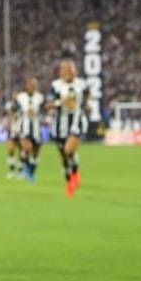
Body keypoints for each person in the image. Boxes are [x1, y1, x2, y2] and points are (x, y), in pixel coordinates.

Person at [47, 60, 87, 196]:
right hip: (59, 125)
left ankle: (75, 174)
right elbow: (48, 105)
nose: (69, 72)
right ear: (61, 72)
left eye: (71, 69)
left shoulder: (82, 84)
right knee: (64, 156)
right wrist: (60, 102)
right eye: (65, 69)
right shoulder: (55, 86)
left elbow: (88, 102)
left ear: (75, 70)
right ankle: (69, 180)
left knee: (68, 150)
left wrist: (86, 106)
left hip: (77, 121)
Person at [12, 78, 45, 182]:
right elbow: (14, 110)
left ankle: (31, 172)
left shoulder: (40, 97)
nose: (32, 86)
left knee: (35, 153)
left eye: (34, 85)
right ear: (26, 86)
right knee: (26, 148)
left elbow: (45, 111)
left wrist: (39, 114)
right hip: (24, 128)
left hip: (36, 128)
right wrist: (19, 119)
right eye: (30, 84)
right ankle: (25, 169)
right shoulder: (20, 97)